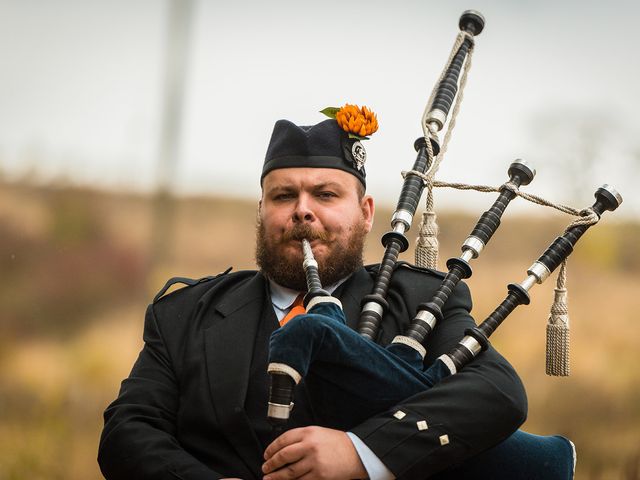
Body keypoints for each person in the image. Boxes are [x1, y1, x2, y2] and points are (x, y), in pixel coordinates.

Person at [98, 107, 529, 480]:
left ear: (365, 214)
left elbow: (497, 391)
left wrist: (360, 453)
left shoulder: (420, 299)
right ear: (261, 210)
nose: (302, 209)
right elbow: (127, 431)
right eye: (284, 195)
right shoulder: (186, 314)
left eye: (325, 194)